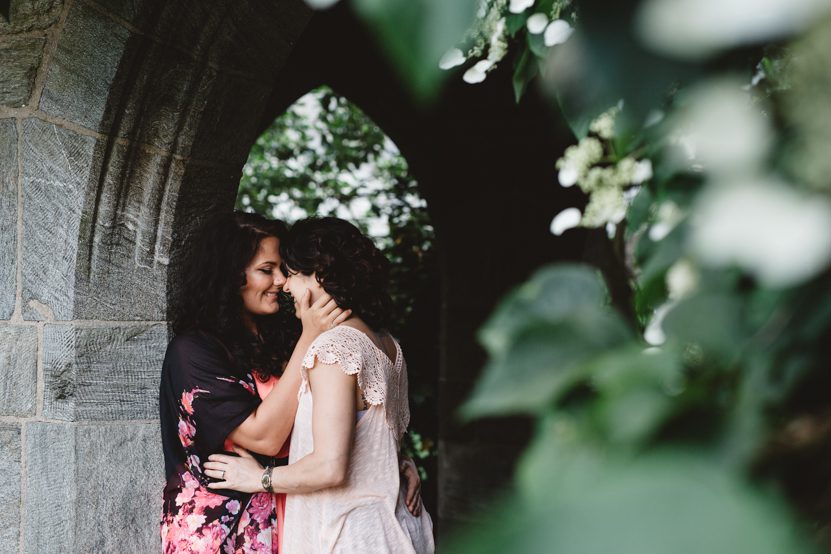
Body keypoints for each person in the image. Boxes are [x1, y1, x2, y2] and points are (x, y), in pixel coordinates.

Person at [204, 217, 435, 553]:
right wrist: (402, 463)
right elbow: (374, 441)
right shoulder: (386, 344)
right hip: (396, 525)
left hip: (350, 534)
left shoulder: (334, 348)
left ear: (321, 275)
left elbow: (330, 467)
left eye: (293, 274)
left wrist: (258, 479)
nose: (285, 286)